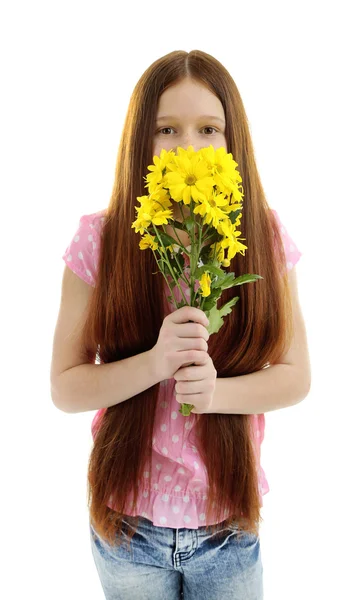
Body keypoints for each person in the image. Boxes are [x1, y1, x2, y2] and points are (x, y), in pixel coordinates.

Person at [51, 49, 311, 600]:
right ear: (140, 141)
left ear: (232, 140)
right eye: (166, 129)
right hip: (128, 530)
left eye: (208, 129)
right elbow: (65, 388)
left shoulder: (261, 234)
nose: (188, 147)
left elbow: (296, 377)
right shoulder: (101, 240)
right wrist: (155, 362)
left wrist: (215, 393)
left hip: (228, 530)